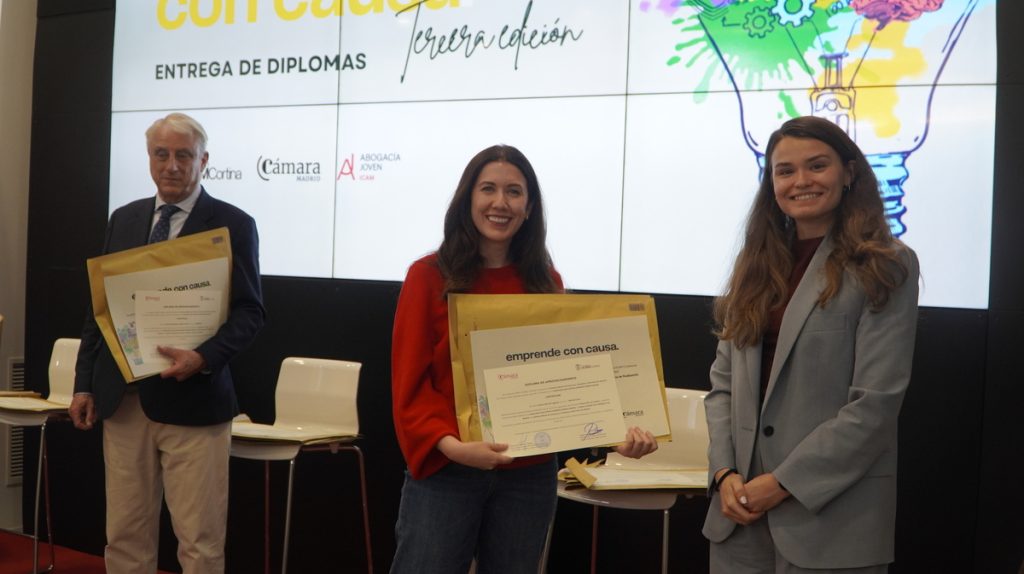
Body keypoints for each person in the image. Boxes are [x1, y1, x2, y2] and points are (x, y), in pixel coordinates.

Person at [389, 144, 657, 574]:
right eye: (488, 189)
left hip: (527, 477)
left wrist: (615, 434)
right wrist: (455, 448)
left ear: (529, 207)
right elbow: (411, 384)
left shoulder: (546, 282)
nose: (500, 202)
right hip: (447, 470)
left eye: (514, 192)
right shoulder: (428, 277)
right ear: (467, 199)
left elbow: (566, 382)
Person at [703, 116, 920, 573]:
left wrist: (782, 483)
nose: (801, 181)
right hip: (738, 517)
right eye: (785, 171)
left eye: (817, 166)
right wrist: (723, 474)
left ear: (849, 173)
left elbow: (875, 405)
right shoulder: (754, 264)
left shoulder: (886, 264)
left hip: (831, 521)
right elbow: (723, 386)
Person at [69, 112, 265, 574]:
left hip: (195, 403)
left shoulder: (233, 224)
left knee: (199, 541)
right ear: (149, 158)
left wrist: (204, 357)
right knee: (125, 536)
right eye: (161, 154)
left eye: (183, 155)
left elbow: (251, 312)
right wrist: (84, 384)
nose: (171, 165)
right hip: (124, 402)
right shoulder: (124, 218)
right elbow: (100, 310)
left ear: (203, 161)